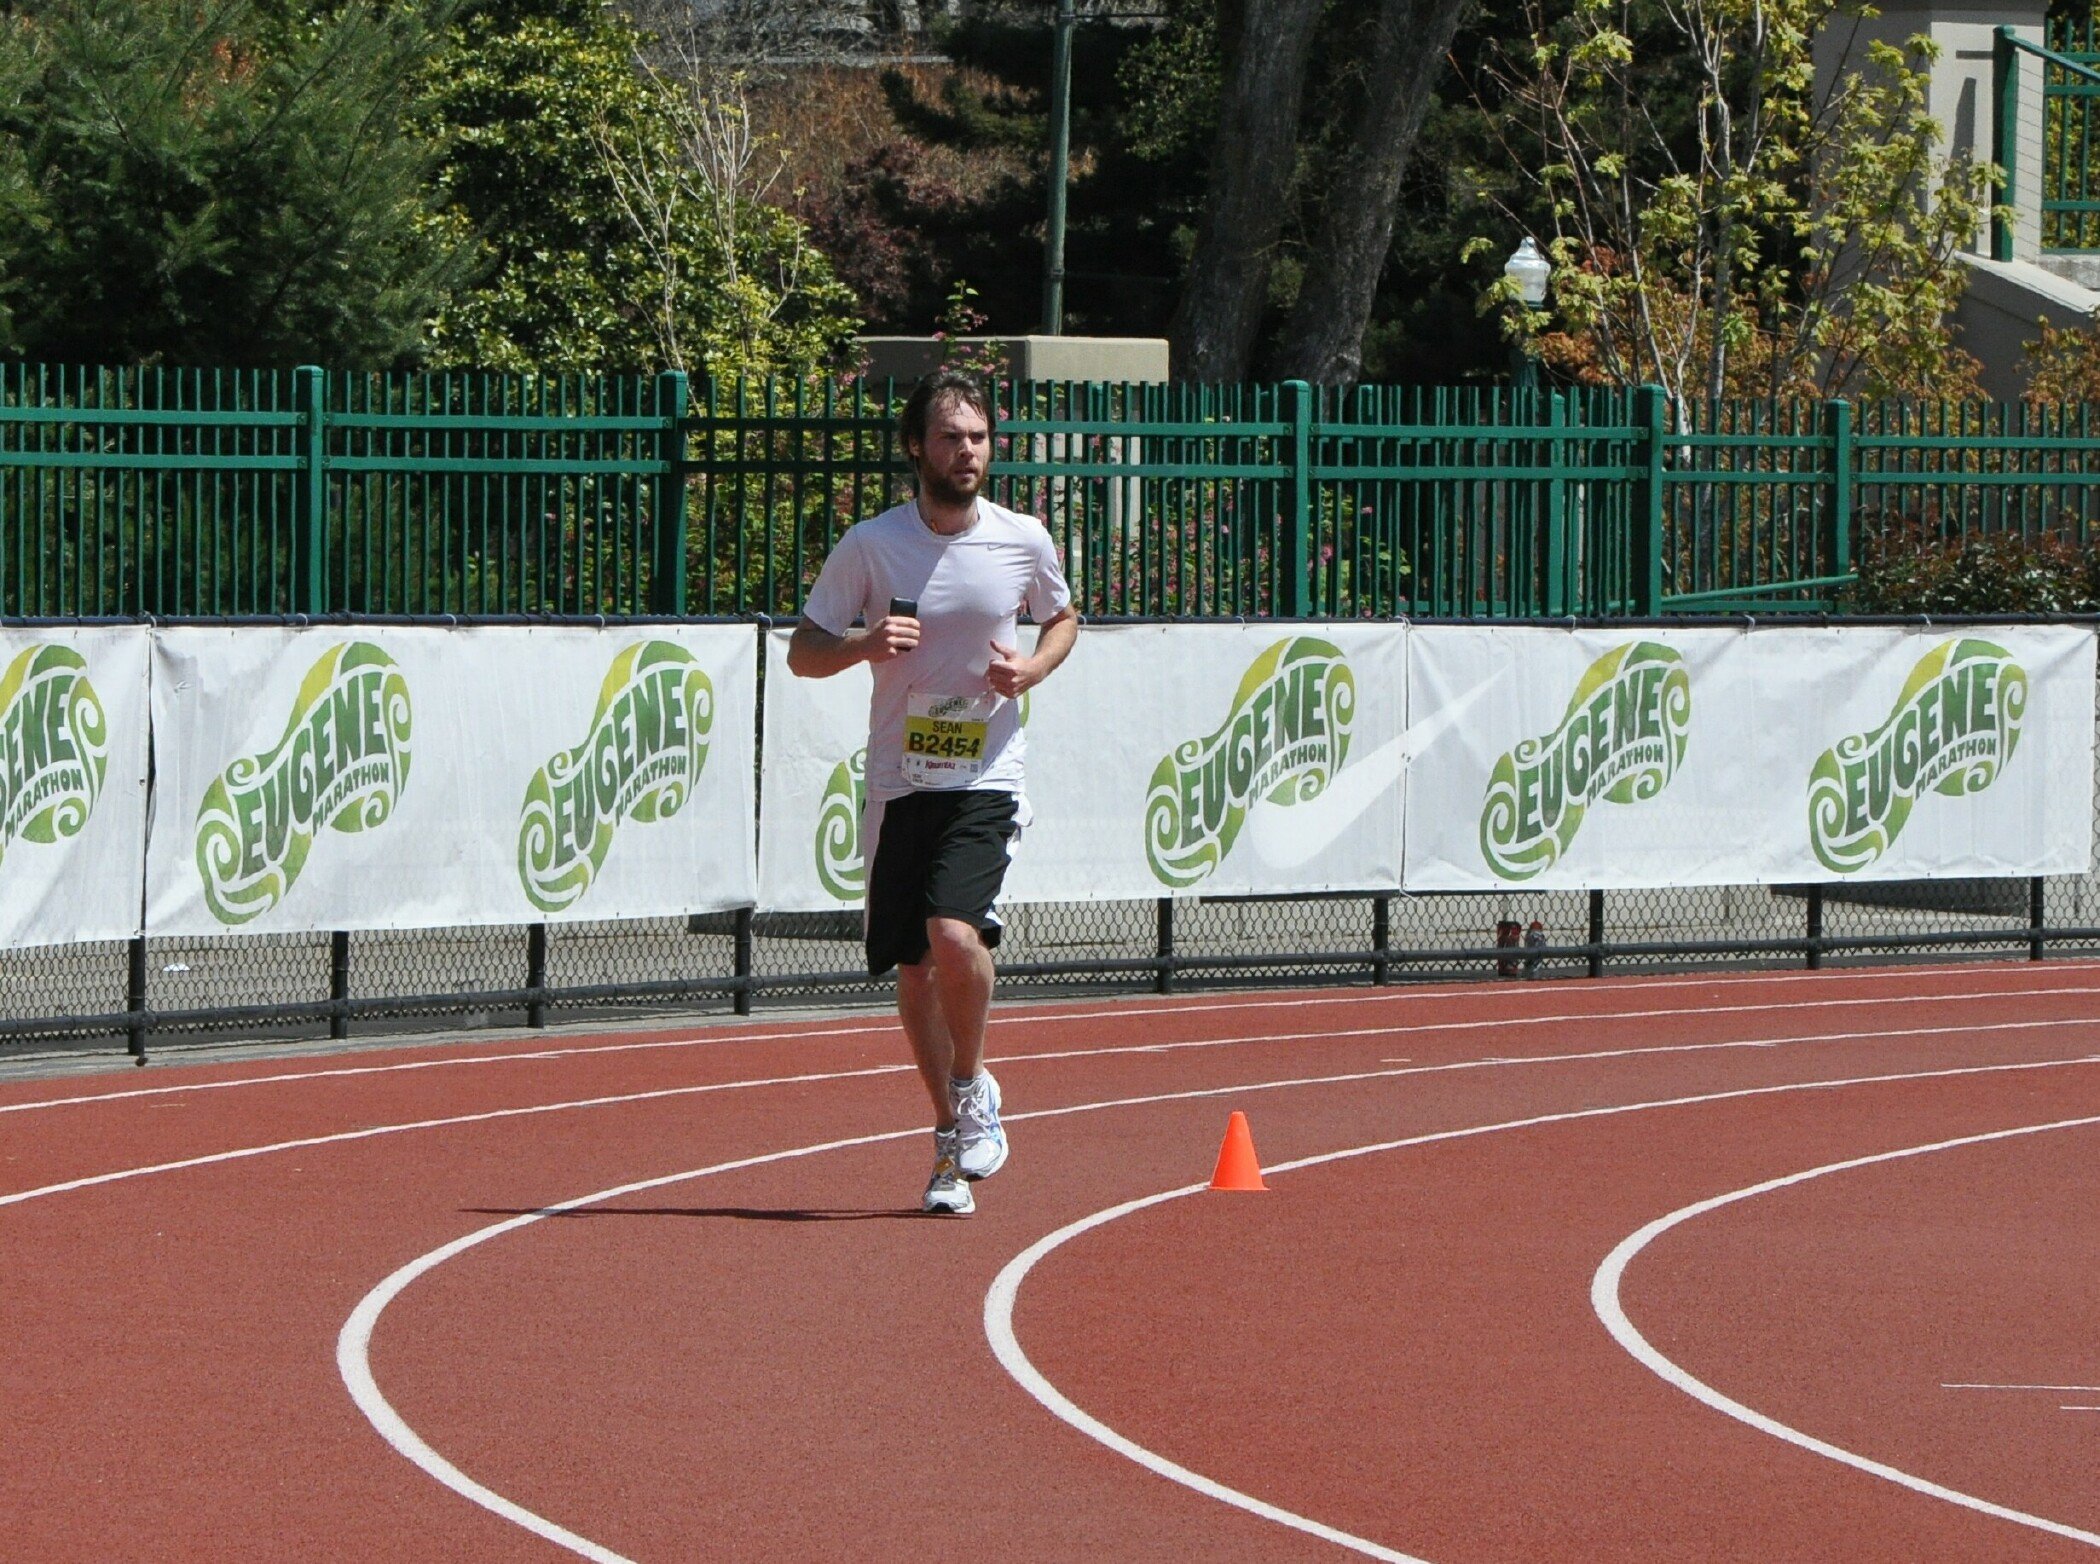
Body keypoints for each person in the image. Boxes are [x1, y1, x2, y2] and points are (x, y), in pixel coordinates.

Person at [787, 372, 1079, 1216]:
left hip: (986, 774)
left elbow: (1062, 619)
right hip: (899, 780)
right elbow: (805, 652)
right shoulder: (872, 545)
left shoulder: (1023, 538)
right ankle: (951, 1132)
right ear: (917, 447)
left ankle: (971, 1084)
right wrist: (864, 644)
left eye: (980, 438)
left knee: (954, 933)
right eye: (951, 438)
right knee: (912, 971)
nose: (968, 453)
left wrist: (1031, 667)